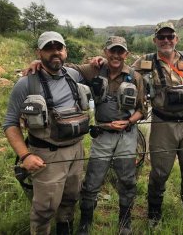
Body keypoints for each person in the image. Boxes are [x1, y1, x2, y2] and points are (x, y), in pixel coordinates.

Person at [91, 22, 183, 232]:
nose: (166, 40)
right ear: (155, 40)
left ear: (176, 39)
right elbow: (121, 69)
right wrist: (103, 61)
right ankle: (154, 215)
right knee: (159, 173)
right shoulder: (145, 62)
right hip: (162, 124)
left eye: (170, 37)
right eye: (162, 37)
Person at [27, 36, 147, 235]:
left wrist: (129, 121)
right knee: (92, 182)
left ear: (126, 54)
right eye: (112, 51)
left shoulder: (135, 77)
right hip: (102, 135)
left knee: (127, 181)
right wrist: (39, 62)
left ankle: (125, 223)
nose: (116, 55)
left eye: (120, 51)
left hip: (127, 136)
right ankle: (85, 222)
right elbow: (62, 66)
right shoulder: (92, 70)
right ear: (105, 52)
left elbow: (142, 109)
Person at [3, 31, 91, 235]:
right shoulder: (26, 83)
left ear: (65, 51)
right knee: (45, 208)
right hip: (46, 155)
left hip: (76, 150)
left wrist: (99, 59)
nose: (55, 53)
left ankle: (65, 229)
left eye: (58, 48)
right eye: (48, 49)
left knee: (70, 197)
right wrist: (25, 155)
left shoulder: (74, 74)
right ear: (39, 52)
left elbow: (105, 65)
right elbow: (9, 123)